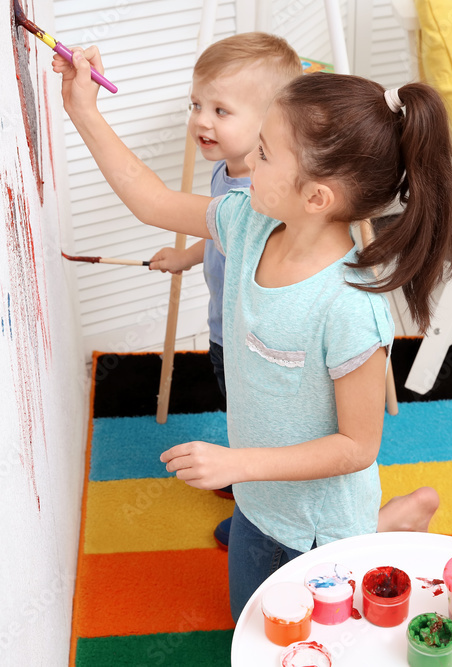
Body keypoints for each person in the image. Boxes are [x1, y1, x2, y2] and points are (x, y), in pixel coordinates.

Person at [55, 45, 452, 621]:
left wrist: (237, 463)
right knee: (255, 630)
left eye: (265, 153)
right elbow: (154, 202)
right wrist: (82, 110)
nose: (248, 160)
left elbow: (357, 447)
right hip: (257, 506)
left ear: (316, 197)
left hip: (323, 532)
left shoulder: (349, 308)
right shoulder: (247, 220)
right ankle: (399, 518)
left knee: (345, 638)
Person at [147, 35, 304, 539]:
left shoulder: (264, 195)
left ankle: (258, 510)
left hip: (254, 341)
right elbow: (220, 235)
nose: (201, 120)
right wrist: (187, 256)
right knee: (237, 412)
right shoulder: (223, 172)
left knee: (256, 424)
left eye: (221, 109)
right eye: (197, 105)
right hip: (223, 330)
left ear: (269, 124)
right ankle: (243, 475)